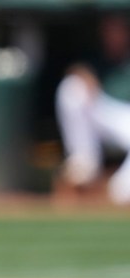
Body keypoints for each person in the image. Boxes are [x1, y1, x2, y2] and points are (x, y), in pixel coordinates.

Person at [55, 12, 130, 205]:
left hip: (126, 114)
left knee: (122, 193)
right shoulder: (94, 55)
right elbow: (75, 68)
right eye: (109, 31)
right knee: (71, 88)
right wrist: (82, 74)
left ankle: (121, 188)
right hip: (102, 108)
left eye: (119, 30)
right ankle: (84, 165)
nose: (114, 36)